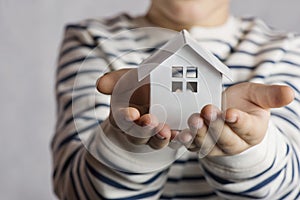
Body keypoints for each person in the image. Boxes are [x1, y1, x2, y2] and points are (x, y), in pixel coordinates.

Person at [52, 0, 300, 199]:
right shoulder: (92, 40)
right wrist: (128, 146)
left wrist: (248, 152)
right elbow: (74, 190)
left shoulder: (286, 50)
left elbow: (291, 187)